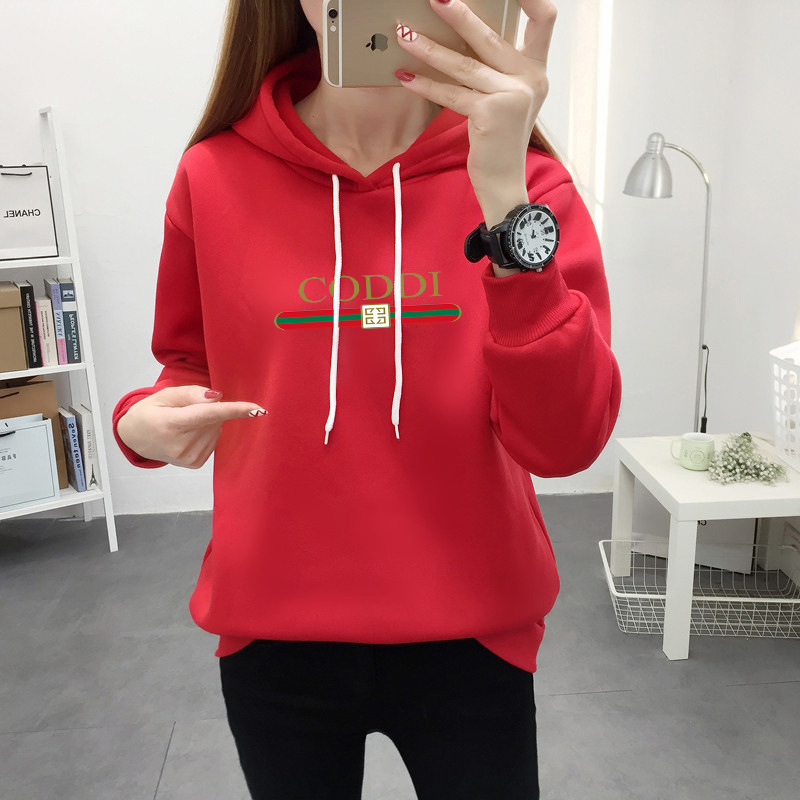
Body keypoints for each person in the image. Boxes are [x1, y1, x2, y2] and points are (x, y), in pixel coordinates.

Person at [113, 0, 622, 797]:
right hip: (275, 632)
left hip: (472, 631)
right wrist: (139, 421)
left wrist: (502, 195)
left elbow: (566, 444)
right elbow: (186, 364)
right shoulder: (212, 175)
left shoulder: (527, 188)